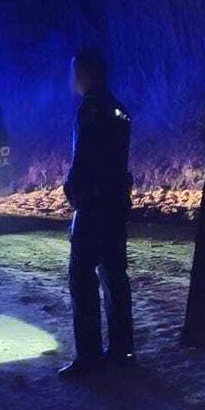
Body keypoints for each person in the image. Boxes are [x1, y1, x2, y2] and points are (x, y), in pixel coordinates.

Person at [58, 48, 136, 381]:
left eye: (74, 71)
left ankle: (88, 356)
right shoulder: (119, 108)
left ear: (86, 73)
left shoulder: (90, 109)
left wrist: (72, 192)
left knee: (82, 279)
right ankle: (122, 350)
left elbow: (84, 160)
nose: (71, 78)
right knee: (115, 277)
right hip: (115, 205)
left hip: (94, 207)